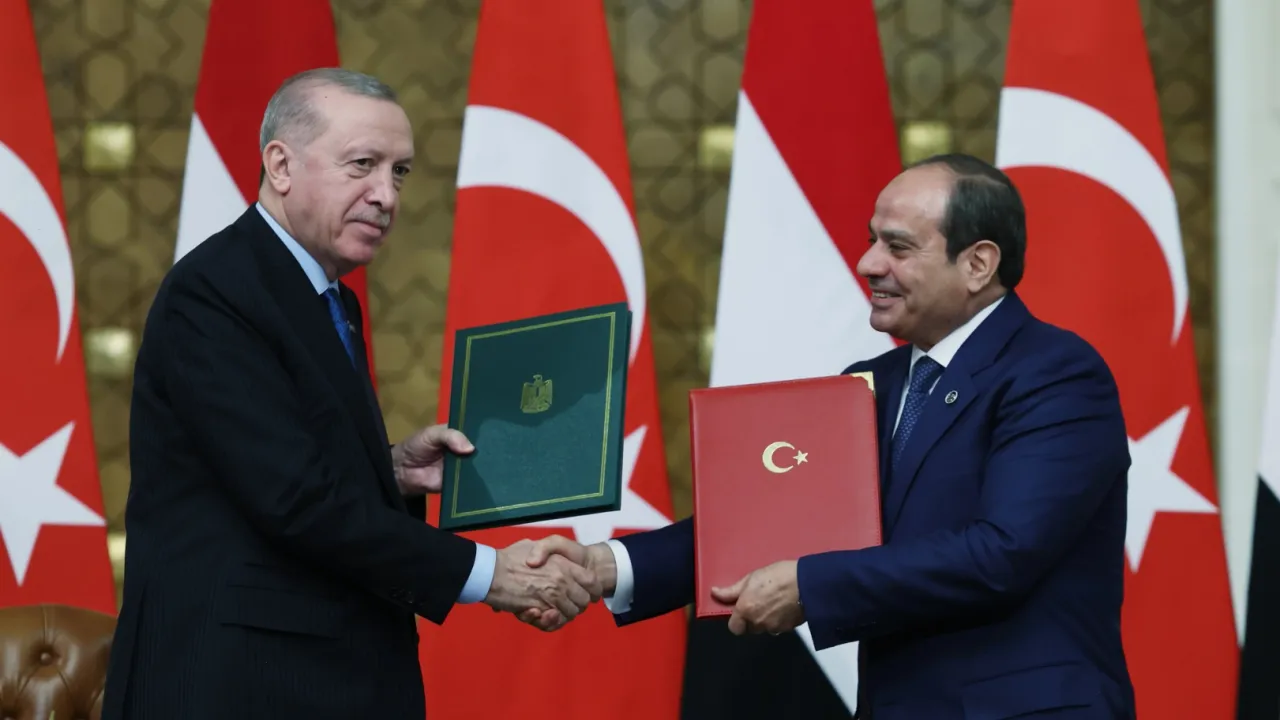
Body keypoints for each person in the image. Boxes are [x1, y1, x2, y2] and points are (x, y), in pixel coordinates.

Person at [526, 154, 1137, 718]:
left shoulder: (1055, 373)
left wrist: (807, 586)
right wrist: (606, 566)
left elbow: (1002, 554)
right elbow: (769, 521)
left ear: (977, 264)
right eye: (872, 240)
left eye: (898, 246)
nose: (869, 264)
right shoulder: (871, 383)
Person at [101, 68, 601, 720]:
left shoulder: (327, 298)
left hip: (321, 674)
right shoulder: (215, 293)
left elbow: (277, 466)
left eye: (400, 172)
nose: (386, 195)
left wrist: (389, 471)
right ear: (281, 165)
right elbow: (294, 500)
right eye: (362, 165)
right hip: (240, 684)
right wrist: (488, 574)